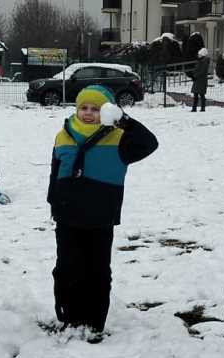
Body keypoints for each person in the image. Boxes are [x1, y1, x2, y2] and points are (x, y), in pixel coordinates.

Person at [47, 85, 158, 334]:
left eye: (96, 109)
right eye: (84, 108)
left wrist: (123, 120)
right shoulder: (63, 135)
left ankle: (93, 320)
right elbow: (55, 171)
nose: (88, 113)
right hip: (67, 215)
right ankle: (69, 315)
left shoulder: (119, 138)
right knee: (67, 267)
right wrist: (53, 201)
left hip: (100, 216)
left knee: (96, 270)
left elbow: (149, 143)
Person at [189, 48, 210, 113]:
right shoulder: (199, 61)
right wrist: (192, 75)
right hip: (197, 80)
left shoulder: (204, 62)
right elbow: (197, 69)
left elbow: (202, 71)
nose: (198, 55)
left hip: (201, 80)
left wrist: (195, 76)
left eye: (199, 54)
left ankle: (202, 108)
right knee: (196, 94)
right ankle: (194, 108)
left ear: (202, 55)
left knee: (201, 94)